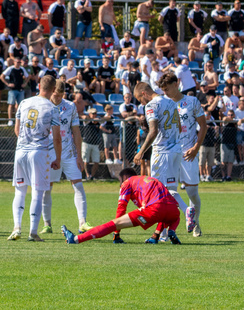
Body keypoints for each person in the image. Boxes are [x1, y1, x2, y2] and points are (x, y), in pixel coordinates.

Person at [61, 167, 182, 245]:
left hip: (154, 210)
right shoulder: (149, 179)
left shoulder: (127, 182)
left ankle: (76, 239)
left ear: (124, 178)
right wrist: (156, 234)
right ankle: (170, 232)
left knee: (113, 223)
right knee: (169, 213)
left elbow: (121, 208)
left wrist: (116, 233)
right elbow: (165, 209)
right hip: (173, 212)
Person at [8, 75, 62, 242]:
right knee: (37, 192)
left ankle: (16, 227)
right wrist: (57, 158)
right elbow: (57, 137)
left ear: (39, 86)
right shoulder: (52, 108)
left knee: (20, 190)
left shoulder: (24, 103)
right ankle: (33, 232)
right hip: (38, 152)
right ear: (54, 90)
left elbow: (17, 129)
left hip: (21, 150)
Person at [133, 82, 189, 237]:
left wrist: (141, 152)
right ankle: (164, 232)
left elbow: (153, 131)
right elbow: (178, 125)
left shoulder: (151, 105)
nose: (141, 104)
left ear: (144, 93)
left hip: (161, 152)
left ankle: (184, 210)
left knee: (158, 193)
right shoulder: (171, 101)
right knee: (170, 191)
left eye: (140, 100)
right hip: (176, 150)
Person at [157, 71, 206, 236]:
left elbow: (203, 126)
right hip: (171, 154)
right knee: (169, 192)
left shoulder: (192, 102)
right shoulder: (163, 103)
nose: (165, 92)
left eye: (167, 88)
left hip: (188, 153)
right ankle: (165, 230)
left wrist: (196, 148)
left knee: (192, 194)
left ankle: (196, 221)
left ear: (176, 84)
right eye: (163, 90)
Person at [40, 79, 90, 234]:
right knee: (47, 189)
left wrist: (79, 156)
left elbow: (76, 132)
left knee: (78, 186)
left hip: (68, 153)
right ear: (52, 90)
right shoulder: (43, 105)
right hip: (49, 153)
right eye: (56, 94)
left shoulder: (70, 106)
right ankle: (47, 224)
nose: (58, 98)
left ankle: (82, 222)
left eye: (61, 95)